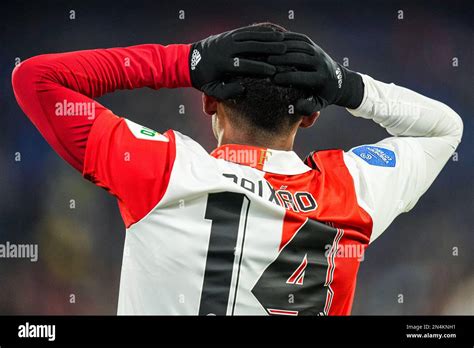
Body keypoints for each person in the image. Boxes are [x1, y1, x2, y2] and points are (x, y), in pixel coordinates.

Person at [12, 23, 463, 315]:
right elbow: (445, 129)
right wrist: (349, 87)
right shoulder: (352, 193)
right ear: (311, 116)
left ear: (207, 100)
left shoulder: (161, 171)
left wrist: (182, 61)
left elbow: (35, 79)